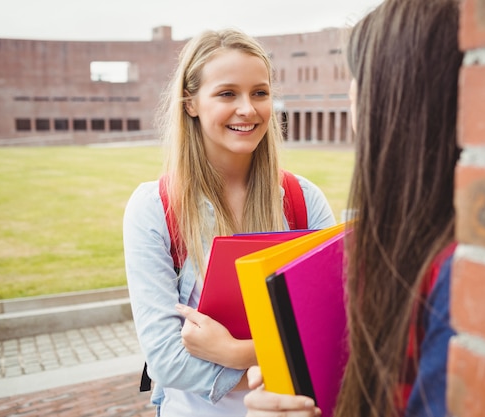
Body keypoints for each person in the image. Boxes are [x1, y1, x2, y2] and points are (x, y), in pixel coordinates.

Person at [243, 0, 463, 416]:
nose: (350, 92)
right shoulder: (409, 246)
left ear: (395, 96)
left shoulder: (453, 276)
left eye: (357, 76)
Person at [123, 29, 336, 417]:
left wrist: (233, 351)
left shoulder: (304, 199)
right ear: (191, 104)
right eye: (227, 94)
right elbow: (166, 360)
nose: (248, 109)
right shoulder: (155, 208)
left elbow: (336, 331)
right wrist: (278, 359)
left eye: (260, 92)